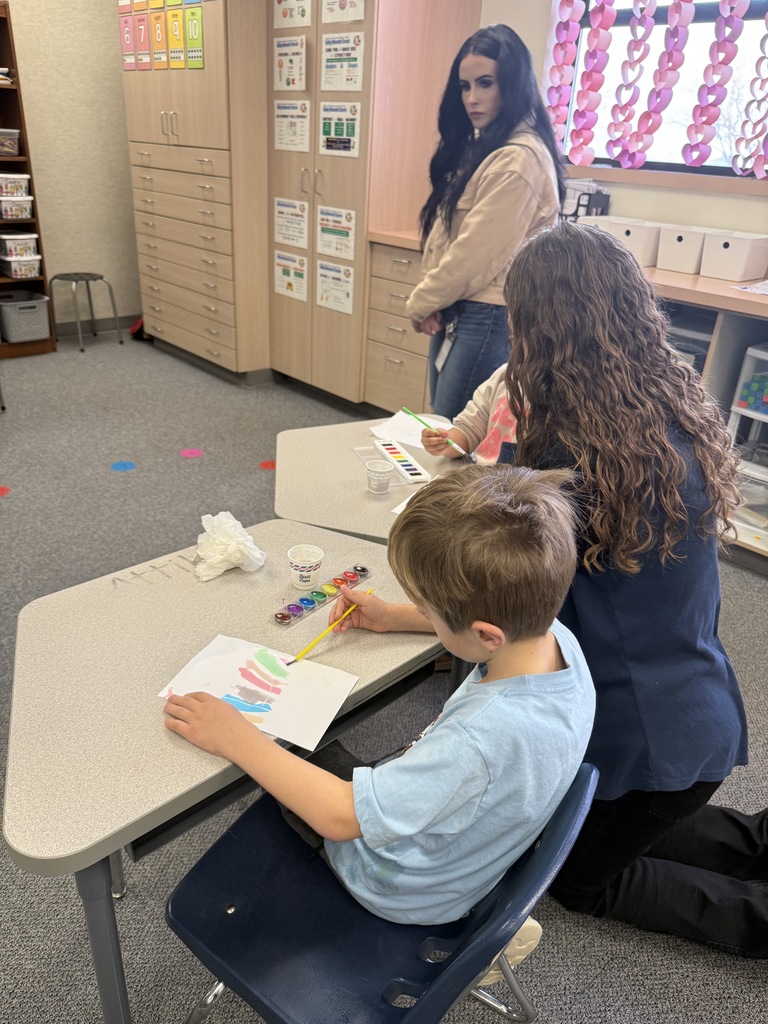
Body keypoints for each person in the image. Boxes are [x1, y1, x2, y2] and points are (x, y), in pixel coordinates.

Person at [332, 221, 767, 958]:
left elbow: (509, 600)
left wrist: (397, 614)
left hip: (643, 738)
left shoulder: (578, 451)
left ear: (540, 331)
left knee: (583, 879)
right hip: (698, 707)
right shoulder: (668, 402)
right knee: (644, 820)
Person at [163, 465, 595, 953]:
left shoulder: (481, 740)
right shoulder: (555, 639)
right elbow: (487, 631)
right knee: (319, 752)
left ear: (485, 633)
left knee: (289, 755)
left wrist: (236, 737)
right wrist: (396, 617)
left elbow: (339, 817)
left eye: (428, 610)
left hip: (400, 889)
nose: (424, 615)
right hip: (468, 854)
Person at [406, 24, 564, 421]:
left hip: (489, 313)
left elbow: (475, 254)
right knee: (445, 428)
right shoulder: (486, 149)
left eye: (485, 83)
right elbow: (445, 236)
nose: (472, 98)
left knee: (455, 438)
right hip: (462, 307)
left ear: (512, 85)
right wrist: (434, 300)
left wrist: (423, 301)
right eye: (464, 86)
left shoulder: (519, 159)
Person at [421, 363, 515, 465]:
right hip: (480, 475)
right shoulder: (504, 377)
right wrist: (444, 442)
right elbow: (469, 431)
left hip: (517, 480)